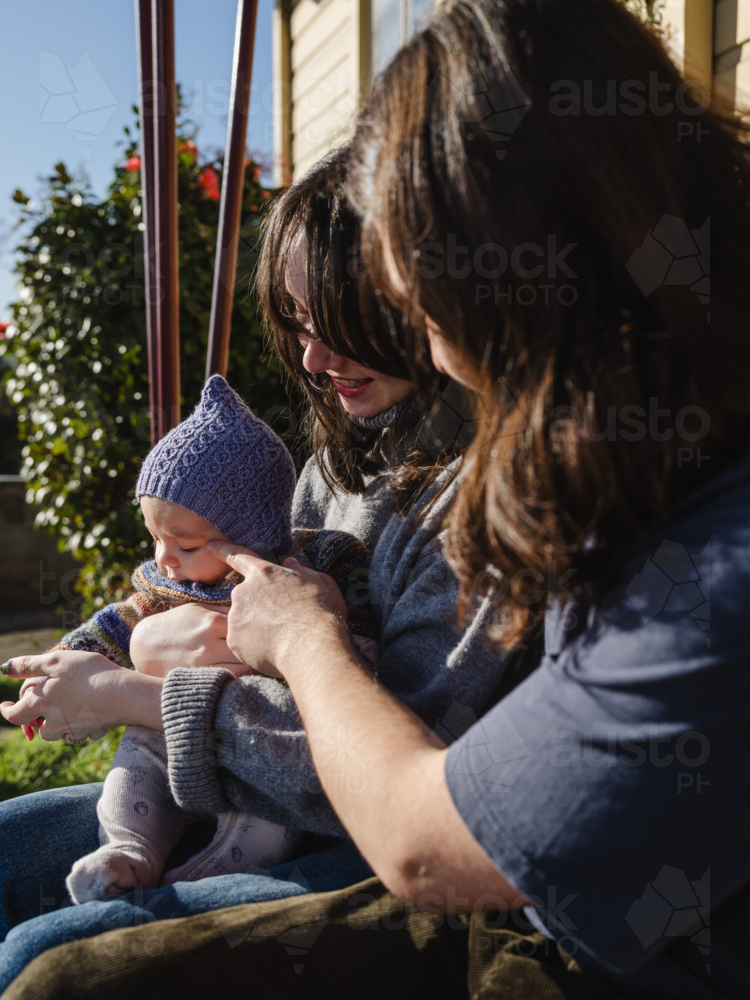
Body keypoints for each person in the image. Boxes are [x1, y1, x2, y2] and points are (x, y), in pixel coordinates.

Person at [10, 0, 750, 996]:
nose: (324, 354)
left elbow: (417, 823)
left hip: (514, 906)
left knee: (54, 970)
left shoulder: (674, 538)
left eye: (391, 288)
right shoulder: (576, 446)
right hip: (468, 864)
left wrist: (203, 673)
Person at [0, 148, 508, 991]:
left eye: (337, 323)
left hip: (362, 851)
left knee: (47, 962)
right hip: (241, 783)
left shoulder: (481, 506)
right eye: (297, 325)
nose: (310, 360)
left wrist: (131, 696)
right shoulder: (332, 467)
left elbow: (387, 784)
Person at [11, 374, 378, 905]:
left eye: (183, 543)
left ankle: (198, 883)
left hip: (265, 748)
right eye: (156, 538)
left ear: (250, 536)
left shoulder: (318, 567)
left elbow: (358, 641)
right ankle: (127, 852)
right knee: (134, 764)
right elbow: (114, 626)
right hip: (167, 734)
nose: (164, 559)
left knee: (267, 822)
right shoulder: (168, 584)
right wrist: (55, 669)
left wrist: (349, 637)